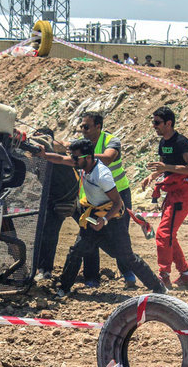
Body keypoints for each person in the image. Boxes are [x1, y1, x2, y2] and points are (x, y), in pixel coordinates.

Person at [38, 139, 166, 298]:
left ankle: (158, 287)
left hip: (112, 222)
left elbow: (118, 203)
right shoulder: (83, 164)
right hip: (93, 218)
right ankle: (64, 288)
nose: (74, 161)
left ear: (88, 157)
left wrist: (104, 221)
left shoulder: (102, 175)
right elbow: (60, 159)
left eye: (76, 158)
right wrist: (44, 154)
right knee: (75, 252)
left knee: (127, 257)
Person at [74, 112, 136, 288]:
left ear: (98, 127)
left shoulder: (111, 141)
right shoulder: (82, 144)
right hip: (93, 199)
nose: (83, 130)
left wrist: (80, 156)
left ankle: (128, 272)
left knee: (121, 235)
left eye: (86, 127)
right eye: (82, 127)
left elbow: (108, 158)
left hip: (117, 194)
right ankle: (91, 277)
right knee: (89, 234)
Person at [141, 106, 188, 289]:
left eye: (157, 123)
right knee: (169, 235)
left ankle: (164, 275)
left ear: (169, 123)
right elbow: (164, 167)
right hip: (173, 194)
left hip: (183, 195)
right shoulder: (163, 143)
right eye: (153, 122)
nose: (154, 126)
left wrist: (167, 168)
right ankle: (186, 275)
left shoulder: (181, 142)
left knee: (163, 234)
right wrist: (152, 176)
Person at [32, 128, 79, 281]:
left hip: (74, 198)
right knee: (47, 235)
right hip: (53, 200)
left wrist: (71, 201)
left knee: (91, 233)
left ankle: (93, 275)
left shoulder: (59, 155)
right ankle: (44, 270)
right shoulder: (39, 158)